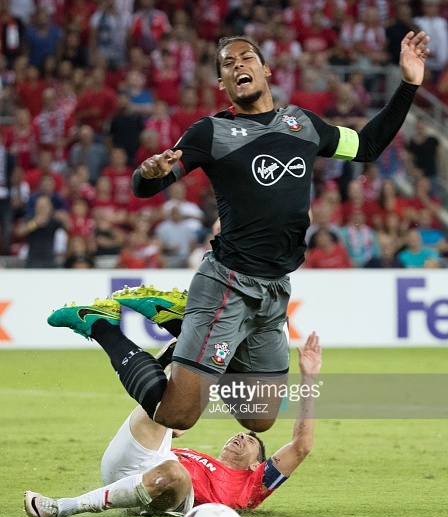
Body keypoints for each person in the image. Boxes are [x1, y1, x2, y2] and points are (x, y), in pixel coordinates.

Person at [48, 32, 430, 434]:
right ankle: (100, 324)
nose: (237, 66)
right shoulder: (209, 133)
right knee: (177, 415)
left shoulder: (303, 125)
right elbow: (146, 188)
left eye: (246, 58)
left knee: (259, 417)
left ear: (264, 70)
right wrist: (147, 173)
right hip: (226, 282)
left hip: (275, 287)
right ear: (222, 84)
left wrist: (408, 84)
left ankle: (181, 323)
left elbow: (367, 146)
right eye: (227, 64)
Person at [24, 332, 321, 517]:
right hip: (130, 469)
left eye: (249, 440)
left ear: (257, 463)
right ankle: (151, 354)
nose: (240, 436)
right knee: (163, 413)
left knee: (174, 472)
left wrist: (309, 378)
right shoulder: (194, 456)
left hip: (167, 493)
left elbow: (301, 446)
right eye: (239, 433)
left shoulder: (253, 483)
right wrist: (172, 429)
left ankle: (65, 507)